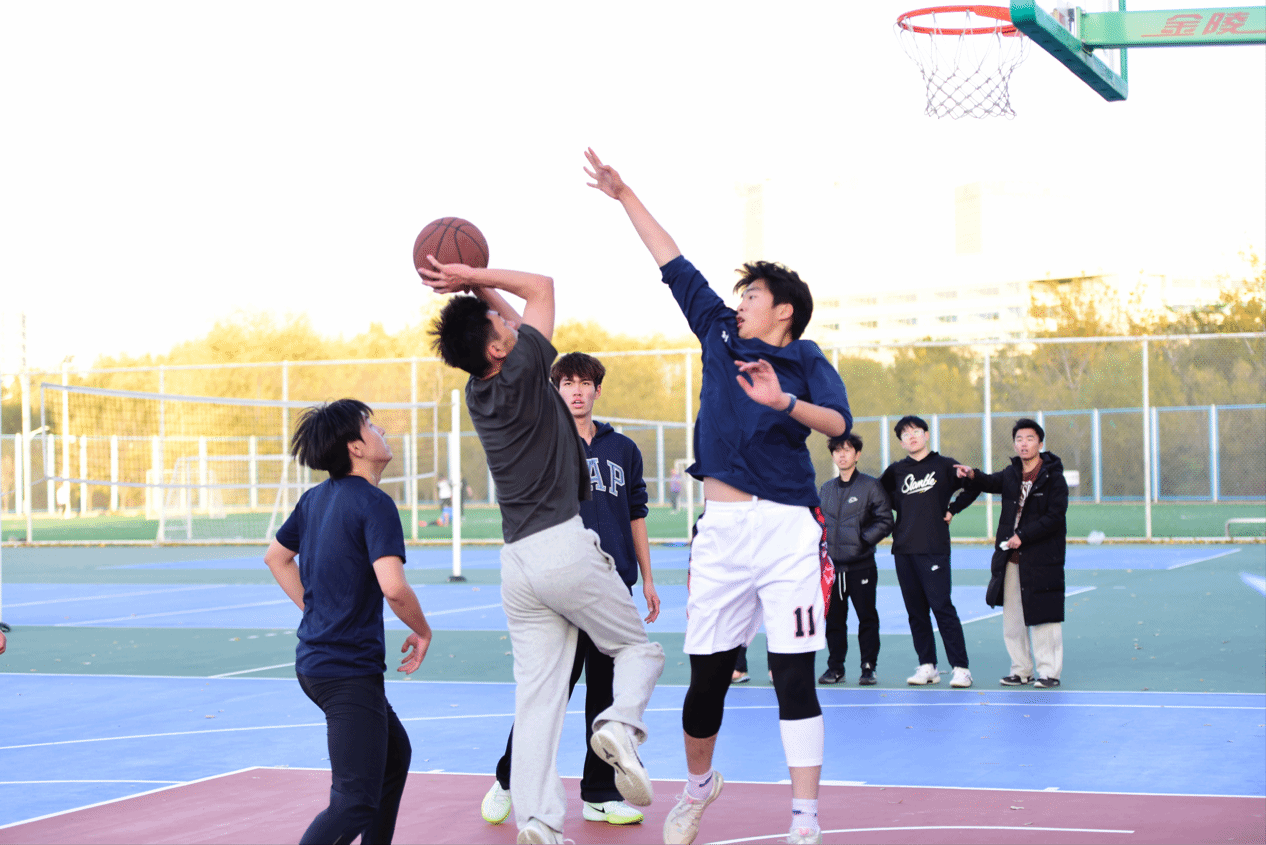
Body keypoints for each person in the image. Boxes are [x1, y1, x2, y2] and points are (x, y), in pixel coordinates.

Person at [586, 148, 852, 845]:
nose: (740, 302)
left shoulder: (806, 358)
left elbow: (838, 424)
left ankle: (805, 817)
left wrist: (782, 400)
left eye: (752, 296)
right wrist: (624, 194)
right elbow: (671, 261)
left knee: (793, 676)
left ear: (783, 311)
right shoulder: (718, 332)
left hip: (788, 528)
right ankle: (698, 787)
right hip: (723, 530)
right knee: (706, 679)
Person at [422, 256, 665, 845]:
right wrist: (471, 273)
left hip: (517, 563)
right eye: (499, 325)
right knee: (638, 649)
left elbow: (513, 320)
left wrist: (476, 293)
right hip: (563, 546)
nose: (510, 323)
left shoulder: (479, 391)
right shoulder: (525, 367)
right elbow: (541, 288)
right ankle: (619, 725)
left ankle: (537, 821)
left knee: (538, 700)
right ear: (498, 348)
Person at [481, 351, 661, 828]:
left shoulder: (623, 449)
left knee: (605, 696)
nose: (576, 391)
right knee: (548, 694)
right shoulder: (543, 442)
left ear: (597, 390)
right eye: (567, 383)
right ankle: (508, 779)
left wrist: (647, 578)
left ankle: (600, 794)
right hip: (559, 586)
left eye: (585, 383)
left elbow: (636, 514)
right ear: (555, 390)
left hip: (611, 586)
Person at [263, 399, 434, 845]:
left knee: (393, 757)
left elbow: (276, 557)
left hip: (321, 665)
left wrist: (315, 609)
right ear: (356, 447)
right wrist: (422, 630)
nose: (382, 432)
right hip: (344, 671)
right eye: (371, 426)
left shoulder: (314, 500)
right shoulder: (375, 504)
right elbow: (394, 588)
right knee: (354, 801)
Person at [955, 419, 1069, 689]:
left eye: (1029, 439)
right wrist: (971, 474)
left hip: (1043, 559)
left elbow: (1055, 517)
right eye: (1019, 439)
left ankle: (1049, 672)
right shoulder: (1011, 474)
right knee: (1013, 619)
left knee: (1044, 617)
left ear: (1040, 443)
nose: (1024, 444)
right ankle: (1021, 670)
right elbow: (989, 482)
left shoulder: (1053, 477)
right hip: (1011, 559)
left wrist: (1023, 536)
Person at [880, 415, 980, 689]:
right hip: (903, 549)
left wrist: (953, 508)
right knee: (916, 612)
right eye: (905, 434)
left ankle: (961, 669)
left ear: (926, 434)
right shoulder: (896, 471)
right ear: (901, 442)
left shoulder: (944, 466)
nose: (911, 436)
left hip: (934, 548)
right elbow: (878, 496)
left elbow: (974, 485)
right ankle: (928, 666)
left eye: (915, 431)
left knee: (942, 608)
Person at [817, 433, 893, 686]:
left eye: (847, 450)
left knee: (867, 618)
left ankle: (868, 667)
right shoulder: (826, 489)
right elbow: (818, 522)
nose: (842, 455)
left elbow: (885, 520)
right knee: (834, 621)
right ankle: (835, 667)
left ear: (857, 454)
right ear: (832, 456)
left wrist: (862, 540)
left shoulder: (870, 486)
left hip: (861, 567)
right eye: (837, 450)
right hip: (833, 569)